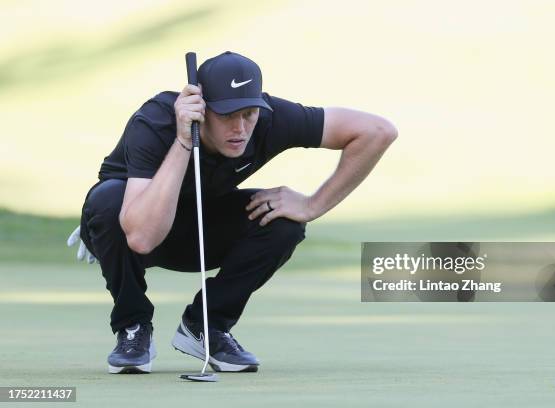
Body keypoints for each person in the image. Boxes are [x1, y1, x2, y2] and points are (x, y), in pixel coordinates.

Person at [67, 51, 397, 374]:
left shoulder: (269, 119)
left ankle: (206, 326)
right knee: (108, 200)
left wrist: (312, 205)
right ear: (202, 109)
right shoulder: (156, 121)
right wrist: (184, 139)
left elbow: (378, 132)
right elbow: (141, 237)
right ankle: (133, 328)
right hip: (128, 225)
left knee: (283, 221)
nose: (240, 128)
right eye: (226, 115)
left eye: (249, 113)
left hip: (197, 227)